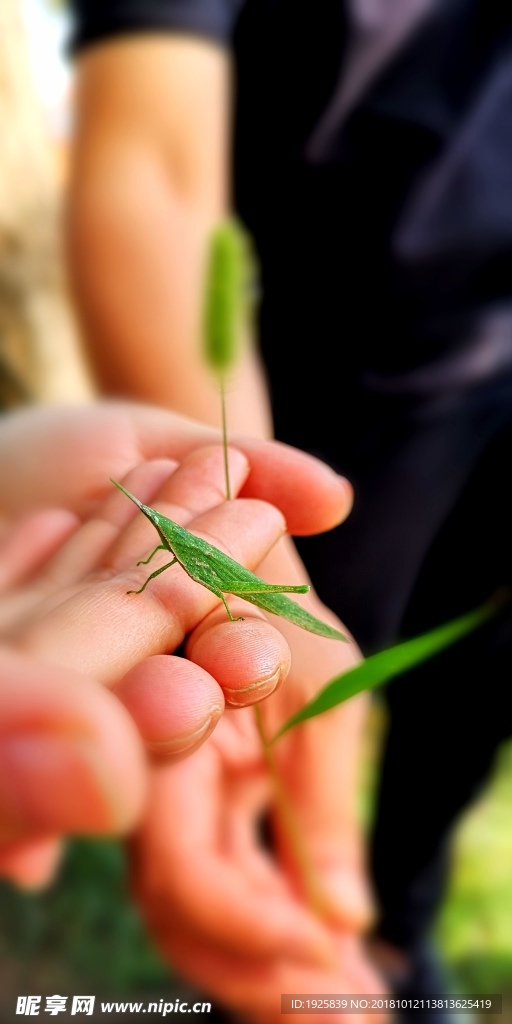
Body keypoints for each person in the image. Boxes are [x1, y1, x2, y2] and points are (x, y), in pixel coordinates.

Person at [65, 0, 512, 1017]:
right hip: (350, 388)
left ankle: (399, 931)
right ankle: (300, 962)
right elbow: (152, 167)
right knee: (296, 722)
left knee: (476, 689)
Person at [0, 400, 356, 914]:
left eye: (152, 519)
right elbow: (156, 558)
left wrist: (228, 606)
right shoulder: (165, 541)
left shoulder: (186, 545)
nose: (154, 526)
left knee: (238, 619)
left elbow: (197, 571)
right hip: (195, 566)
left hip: (231, 577)